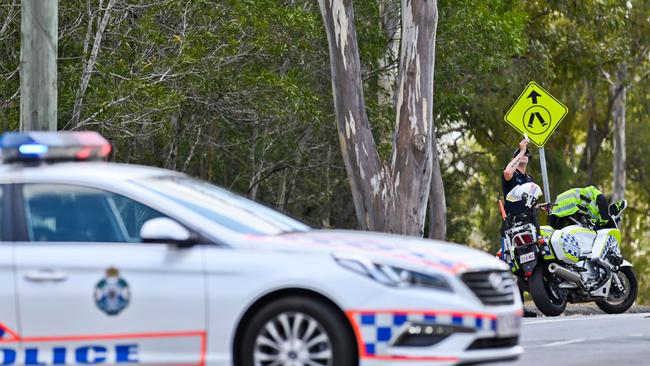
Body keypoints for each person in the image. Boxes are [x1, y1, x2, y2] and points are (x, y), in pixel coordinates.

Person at [501, 138, 537, 317]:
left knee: (533, 259)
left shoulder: (529, 179)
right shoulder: (511, 176)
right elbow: (507, 171)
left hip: (530, 223)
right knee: (512, 265)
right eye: (520, 156)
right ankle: (518, 307)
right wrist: (521, 151)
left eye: (526, 155)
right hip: (512, 226)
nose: (524, 157)